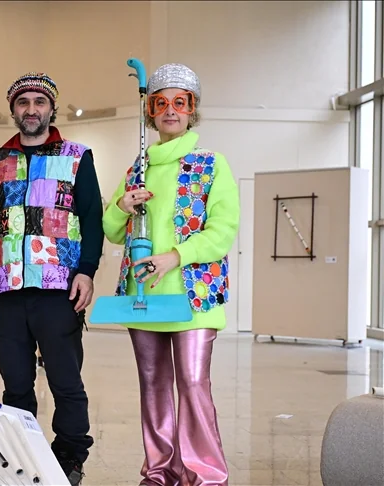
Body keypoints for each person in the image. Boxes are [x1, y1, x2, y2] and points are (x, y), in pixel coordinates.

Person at [0, 72, 103, 485]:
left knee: (65, 382)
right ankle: (23, 455)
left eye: (39, 102)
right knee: (15, 384)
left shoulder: (77, 156)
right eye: (23, 102)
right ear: (13, 110)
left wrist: (86, 272)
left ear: (51, 108)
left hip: (58, 287)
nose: (31, 109)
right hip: (9, 289)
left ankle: (70, 457)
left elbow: (93, 218)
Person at [102, 63, 238, 486]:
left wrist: (174, 257)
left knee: (193, 383)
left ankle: (206, 475)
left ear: (193, 109)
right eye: (161, 103)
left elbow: (222, 231)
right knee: (153, 385)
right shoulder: (137, 169)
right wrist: (122, 207)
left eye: (181, 102)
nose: (170, 111)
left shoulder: (211, 164)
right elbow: (112, 231)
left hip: (193, 297)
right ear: (150, 112)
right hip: (143, 294)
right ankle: (160, 471)